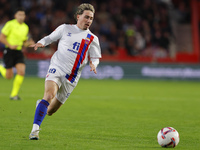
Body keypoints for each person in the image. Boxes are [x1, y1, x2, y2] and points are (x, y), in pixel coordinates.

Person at [29, 3, 101, 140]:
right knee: (49, 95)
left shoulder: (93, 39)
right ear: (78, 16)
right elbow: (50, 38)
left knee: (50, 111)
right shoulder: (65, 28)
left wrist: (94, 63)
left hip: (72, 78)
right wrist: (41, 43)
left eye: (91, 18)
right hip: (57, 67)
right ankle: (35, 130)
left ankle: (41, 106)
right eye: (86, 17)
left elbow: (96, 57)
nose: (89, 21)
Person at [0, 8, 35, 100]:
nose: (21, 16)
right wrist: (10, 45)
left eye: (23, 14)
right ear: (15, 16)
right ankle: (0, 67)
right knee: (8, 77)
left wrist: (29, 43)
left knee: (21, 72)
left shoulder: (25, 27)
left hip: (19, 52)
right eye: (19, 14)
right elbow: (1, 37)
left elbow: (24, 42)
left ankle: (13, 95)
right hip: (9, 51)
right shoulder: (10, 24)